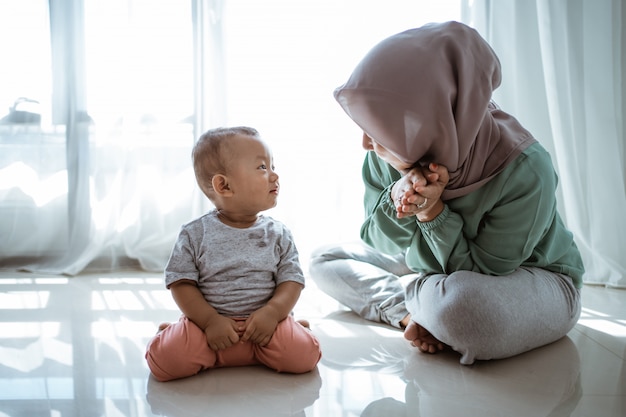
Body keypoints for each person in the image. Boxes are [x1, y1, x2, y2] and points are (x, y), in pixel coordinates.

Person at [310, 21, 584, 365]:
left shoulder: (525, 168)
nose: (366, 142)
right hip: (431, 261)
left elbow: (484, 270)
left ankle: (424, 301)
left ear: (434, 117)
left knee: (470, 313)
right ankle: (411, 313)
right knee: (324, 260)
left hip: (528, 276)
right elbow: (379, 241)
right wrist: (399, 194)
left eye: (379, 125)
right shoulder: (385, 151)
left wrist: (430, 213)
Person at [146, 126, 322, 381]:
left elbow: (291, 281)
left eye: (273, 166)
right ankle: (171, 333)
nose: (274, 176)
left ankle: (294, 330)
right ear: (223, 185)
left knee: (304, 358)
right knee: (166, 364)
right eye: (263, 168)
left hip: (265, 328)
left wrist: (273, 314)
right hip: (209, 330)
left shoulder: (278, 233)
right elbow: (181, 283)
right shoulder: (194, 233)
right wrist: (208, 322)